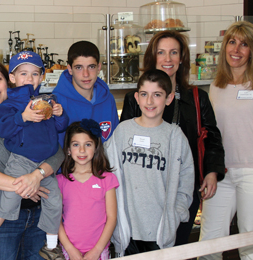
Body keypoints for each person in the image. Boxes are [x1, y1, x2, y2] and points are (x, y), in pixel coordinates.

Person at [119, 30, 225, 246]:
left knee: (177, 248)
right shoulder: (134, 99)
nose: (167, 59)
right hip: (142, 195)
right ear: (152, 57)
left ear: (182, 58)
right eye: (161, 53)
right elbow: (123, 147)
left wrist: (212, 172)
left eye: (174, 52)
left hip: (182, 192)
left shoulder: (197, 97)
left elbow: (212, 137)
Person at [0, 58, 65, 260]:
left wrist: (37, 175)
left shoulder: (31, 113)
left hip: (36, 214)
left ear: (9, 82)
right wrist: (26, 185)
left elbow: (57, 152)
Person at [198, 21, 253, 260]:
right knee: (209, 244)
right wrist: (209, 171)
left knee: (251, 244)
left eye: (244, 44)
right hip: (222, 175)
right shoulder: (217, 85)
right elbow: (213, 135)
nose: (236, 50)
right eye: (232, 43)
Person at [105, 69, 194, 256]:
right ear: (136, 97)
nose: (150, 101)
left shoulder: (174, 136)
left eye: (157, 95)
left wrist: (176, 213)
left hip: (160, 231)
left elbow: (187, 176)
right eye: (144, 94)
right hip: (127, 230)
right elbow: (107, 172)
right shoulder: (122, 131)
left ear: (169, 99)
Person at [58, 119, 118, 260]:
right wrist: (69, 249)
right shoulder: (59, 181)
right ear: (68, 149)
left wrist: (97, 250)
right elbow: (55, 220)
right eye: (76, 144)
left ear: (96, 147)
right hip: (69, 251)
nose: (82, 150)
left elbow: (112, 218)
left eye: (88, 144)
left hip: (99, 251)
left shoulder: (107, 179)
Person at [52, 40, 119, 144]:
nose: (86, 74)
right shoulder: (57, 102)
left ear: (99, 68)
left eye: (91, 67)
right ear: (69, 69)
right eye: (79, 67)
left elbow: (115, 142)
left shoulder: (108, 99)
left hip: (103, 160)